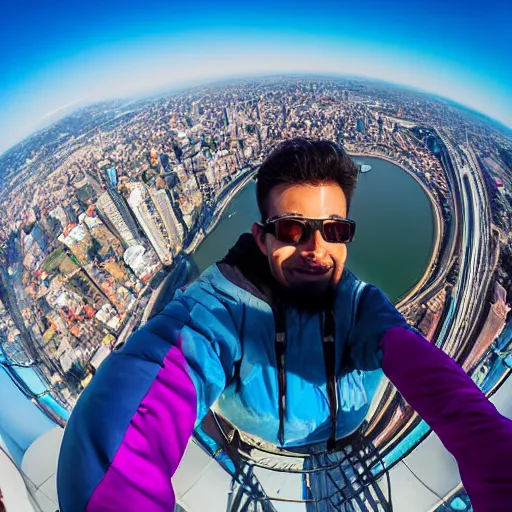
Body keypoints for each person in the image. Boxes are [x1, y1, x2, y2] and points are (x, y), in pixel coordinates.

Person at [58, 138, 512, 511]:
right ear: (261, 236)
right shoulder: (215, 311)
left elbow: (444, 390)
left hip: (346, 445)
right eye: (294, 229)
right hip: (256, 452)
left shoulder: (363, 307)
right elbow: (119, 430)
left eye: (335, 230)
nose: (317, 248)